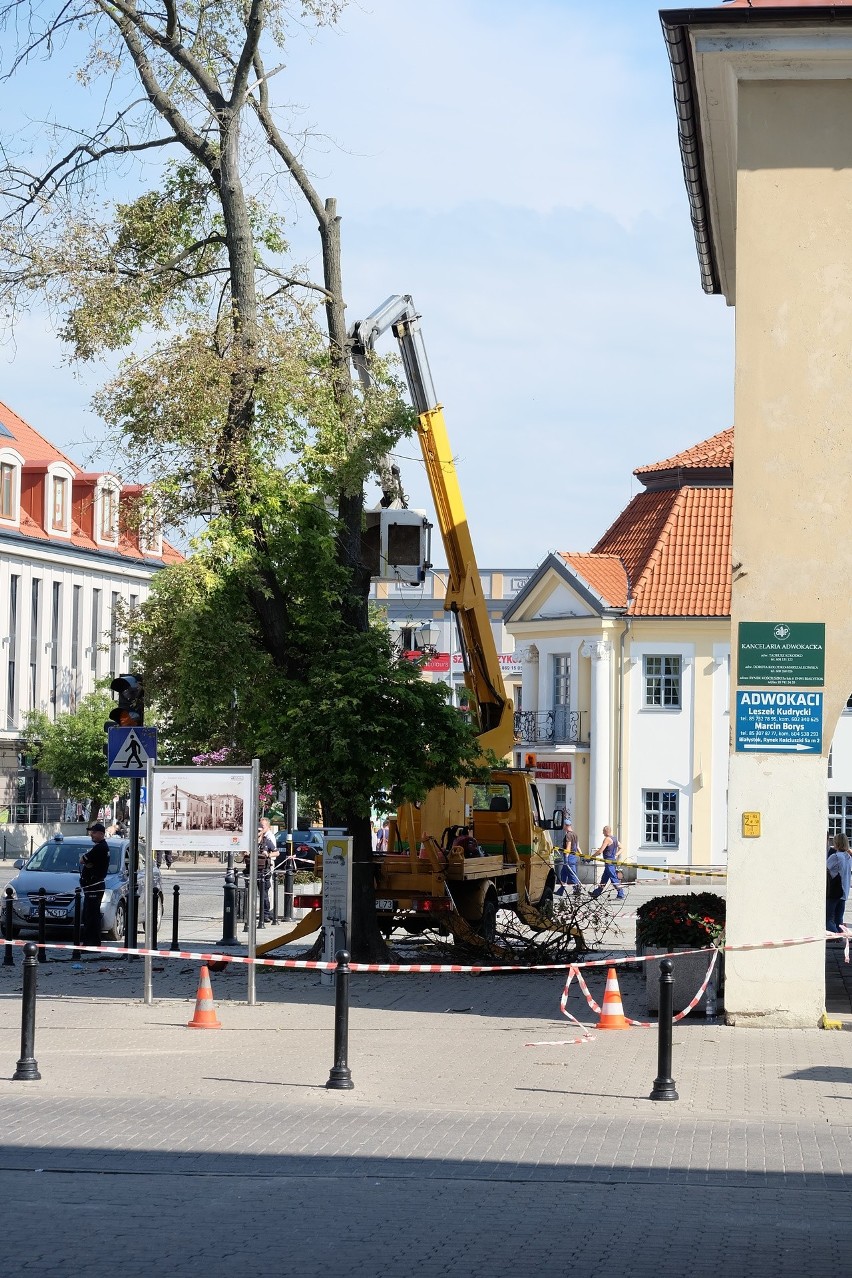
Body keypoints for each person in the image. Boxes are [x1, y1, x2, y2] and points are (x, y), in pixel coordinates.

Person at [79, 822, 111, 948]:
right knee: (90, 914)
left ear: (101, 834)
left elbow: (82, 860)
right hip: (92, 885)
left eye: (94, 832)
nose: (91, 834)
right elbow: (85, 861)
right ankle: (90, 941)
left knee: (91, 915)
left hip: (94, 885)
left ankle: (91, 942)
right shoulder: (100, 847)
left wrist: (87, 863)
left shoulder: (100, 848)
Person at [589, 825, 625, 900]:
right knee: (604, 879)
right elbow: (622, 848)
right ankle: (596, 893)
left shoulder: (607, 839)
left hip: (609, 862)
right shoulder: (615, 839)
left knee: (613, 878)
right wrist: (616, 855)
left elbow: (600, 851)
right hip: (612, 861)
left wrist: (591, 857)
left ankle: (621, 894)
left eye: (603, 831)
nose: (602, 833)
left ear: (606, 831)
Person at [826, 834, 851, 933]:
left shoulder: (835, 857)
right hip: (844, 892)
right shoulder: (848, 857)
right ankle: (840, 937)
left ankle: (836, 936)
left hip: (834, 891)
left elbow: (825, 868)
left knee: (828, 918)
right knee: (839, 919)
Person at [256, 818, 277, 922]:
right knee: (258, 892)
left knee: (265, 892)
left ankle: (267, 914)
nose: (258, 831)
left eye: (261, 829)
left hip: (265, 868)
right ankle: (259, 913)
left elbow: (276, 852)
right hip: (254, 869)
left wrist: (268, 855)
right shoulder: (253, 840)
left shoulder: (268, 839)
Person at [554, 821, 582, 897]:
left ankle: (577, 889)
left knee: (571, 874)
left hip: (569, 857)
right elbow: (577, 846)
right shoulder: (575, 834)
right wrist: (581, 855)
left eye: (563, 825)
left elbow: (568, 847)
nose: (562, 827)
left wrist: (566, 857)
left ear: (566, 825)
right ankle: (561, 890)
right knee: (563, 874)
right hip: (573, 856)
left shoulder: (568, 835)